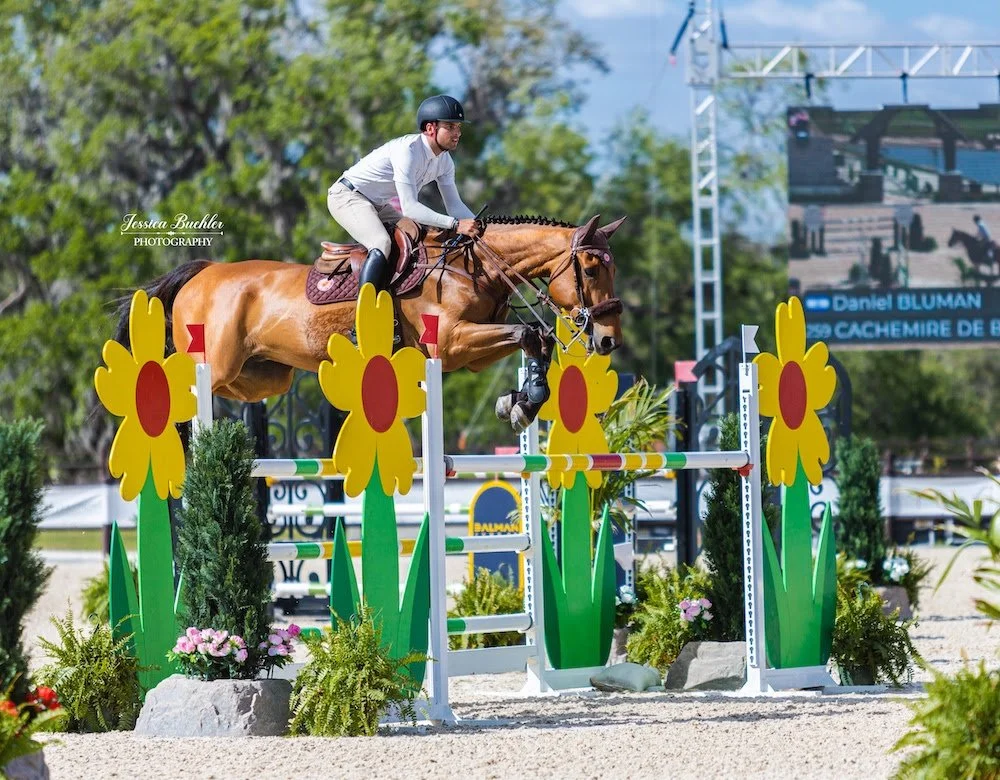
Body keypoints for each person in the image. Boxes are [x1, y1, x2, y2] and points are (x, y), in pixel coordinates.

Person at [327, 95, 483, 293]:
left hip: (377, 205)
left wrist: (482, 227)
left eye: (458, 127)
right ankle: (365, 306)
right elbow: (409, 208)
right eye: (450, 127)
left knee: (420, 236)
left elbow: (454, 206)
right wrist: (455, 224)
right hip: (346, 196)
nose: (457, 133)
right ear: (430, 128)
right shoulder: (408, 151)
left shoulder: (445, 162)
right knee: (381, 243)